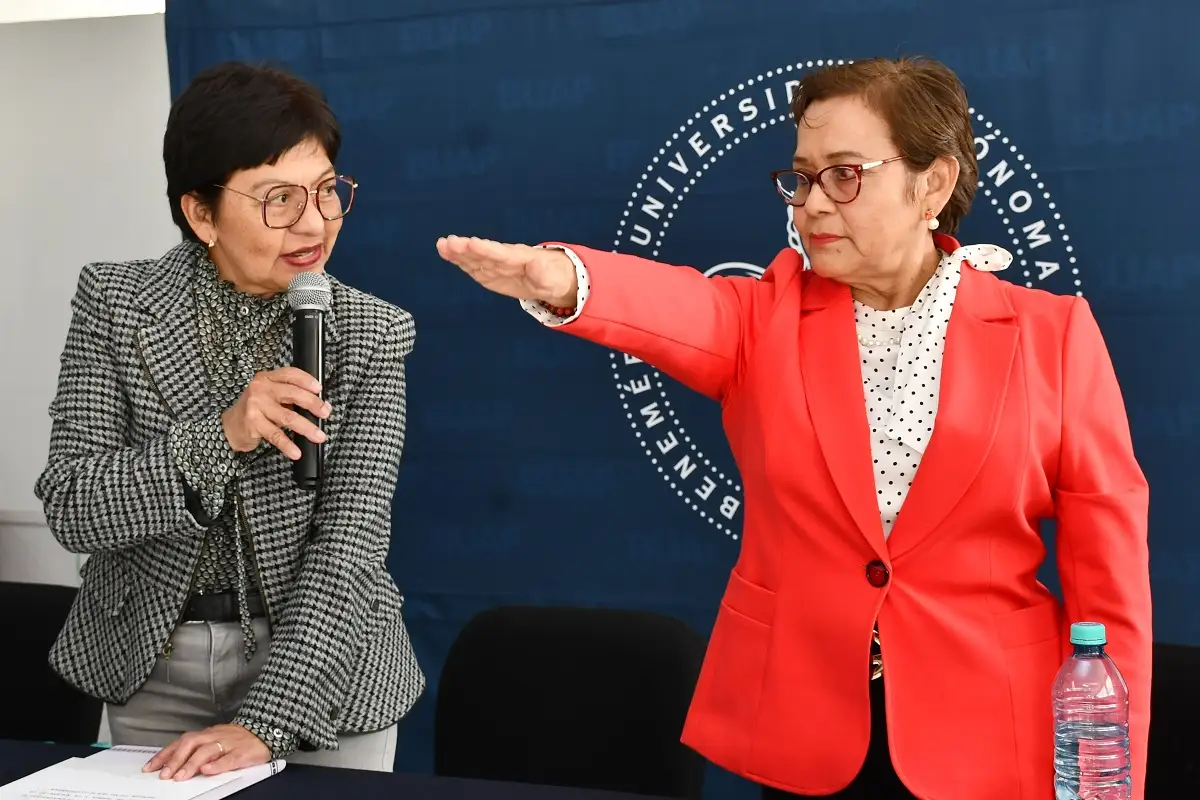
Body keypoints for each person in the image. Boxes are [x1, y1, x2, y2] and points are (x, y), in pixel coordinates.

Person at [436, 57, 1151, 799]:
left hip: (996, 738)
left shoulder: (1053, 336)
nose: (812, 204)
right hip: (809, 733)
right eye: (803, 177)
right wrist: (563, 280)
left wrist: (1112, 777)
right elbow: (674, 307)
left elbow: (1112, 585)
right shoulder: (762, 316)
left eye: (845, 174)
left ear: (931, 184)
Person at [35, 61, 424, 780]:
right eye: (278, 199)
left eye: (326, 191)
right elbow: (73, 506)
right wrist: (220, 437)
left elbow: (349, 551)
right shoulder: (116, 305)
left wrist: (265, 723)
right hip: (151, 660)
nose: (314, 223)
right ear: (201, 213)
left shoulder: (369, 333)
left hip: (322, 667)